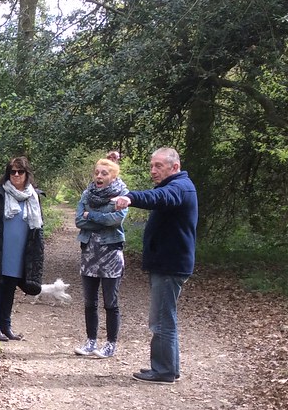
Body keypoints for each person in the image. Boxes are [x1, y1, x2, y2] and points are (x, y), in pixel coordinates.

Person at [113, 147, 198, 383]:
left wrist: (131, 197)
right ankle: (167, 368)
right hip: (166, 264)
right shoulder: (175, 186)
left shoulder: (180, 188)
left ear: (175, 167)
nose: (153, 171)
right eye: (151, 165)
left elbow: (159, 198)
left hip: (170, 266)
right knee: (163, 317)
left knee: (161, 319)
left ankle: (164, 371)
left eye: (158, 166)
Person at [0, 156, 45, 341]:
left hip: (20, 252)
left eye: (20, 171)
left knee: (10, 288)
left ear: (27, 174)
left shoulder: (33, 196)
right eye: (13, 171)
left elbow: (38, 228)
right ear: (8, 174)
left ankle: (6, 326)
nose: (16, 175)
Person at [74, 152, 128, 359]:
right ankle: (90, 341)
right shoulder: (87, 194)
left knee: (110, 302)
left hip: (111, 253)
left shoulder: (122, 195)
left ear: (113, 177)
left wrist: (92, 215)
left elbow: (115, 220)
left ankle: (110, 345)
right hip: (89, 253)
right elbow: (79, 221)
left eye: (104, 173)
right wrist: (98, 218)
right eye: (97, 172)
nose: (99, 176)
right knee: (89, 302)